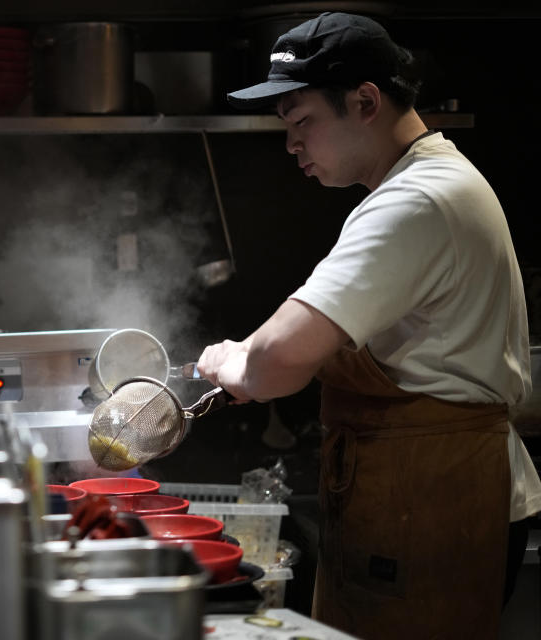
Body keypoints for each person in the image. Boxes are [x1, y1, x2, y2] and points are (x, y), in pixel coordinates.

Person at [197, 12, 541, 639]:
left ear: (365, 102)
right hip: (423, 492)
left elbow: (276, 359)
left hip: (437, 504)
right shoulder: (423, 182)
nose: (292, 144)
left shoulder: (416, 201)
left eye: (303, 122)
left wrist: (231, 363)